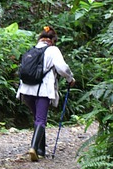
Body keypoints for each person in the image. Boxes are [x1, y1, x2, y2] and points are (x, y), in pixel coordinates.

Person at [17, 25, 75, 161]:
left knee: (37, 118)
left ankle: (41, 150)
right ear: (53, 40)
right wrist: (70, 78)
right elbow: (62, 68)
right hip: (42, 90)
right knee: (41, 119)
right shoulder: (52, 50)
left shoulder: (32, 50)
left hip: (26, 90)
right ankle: (33, 148)